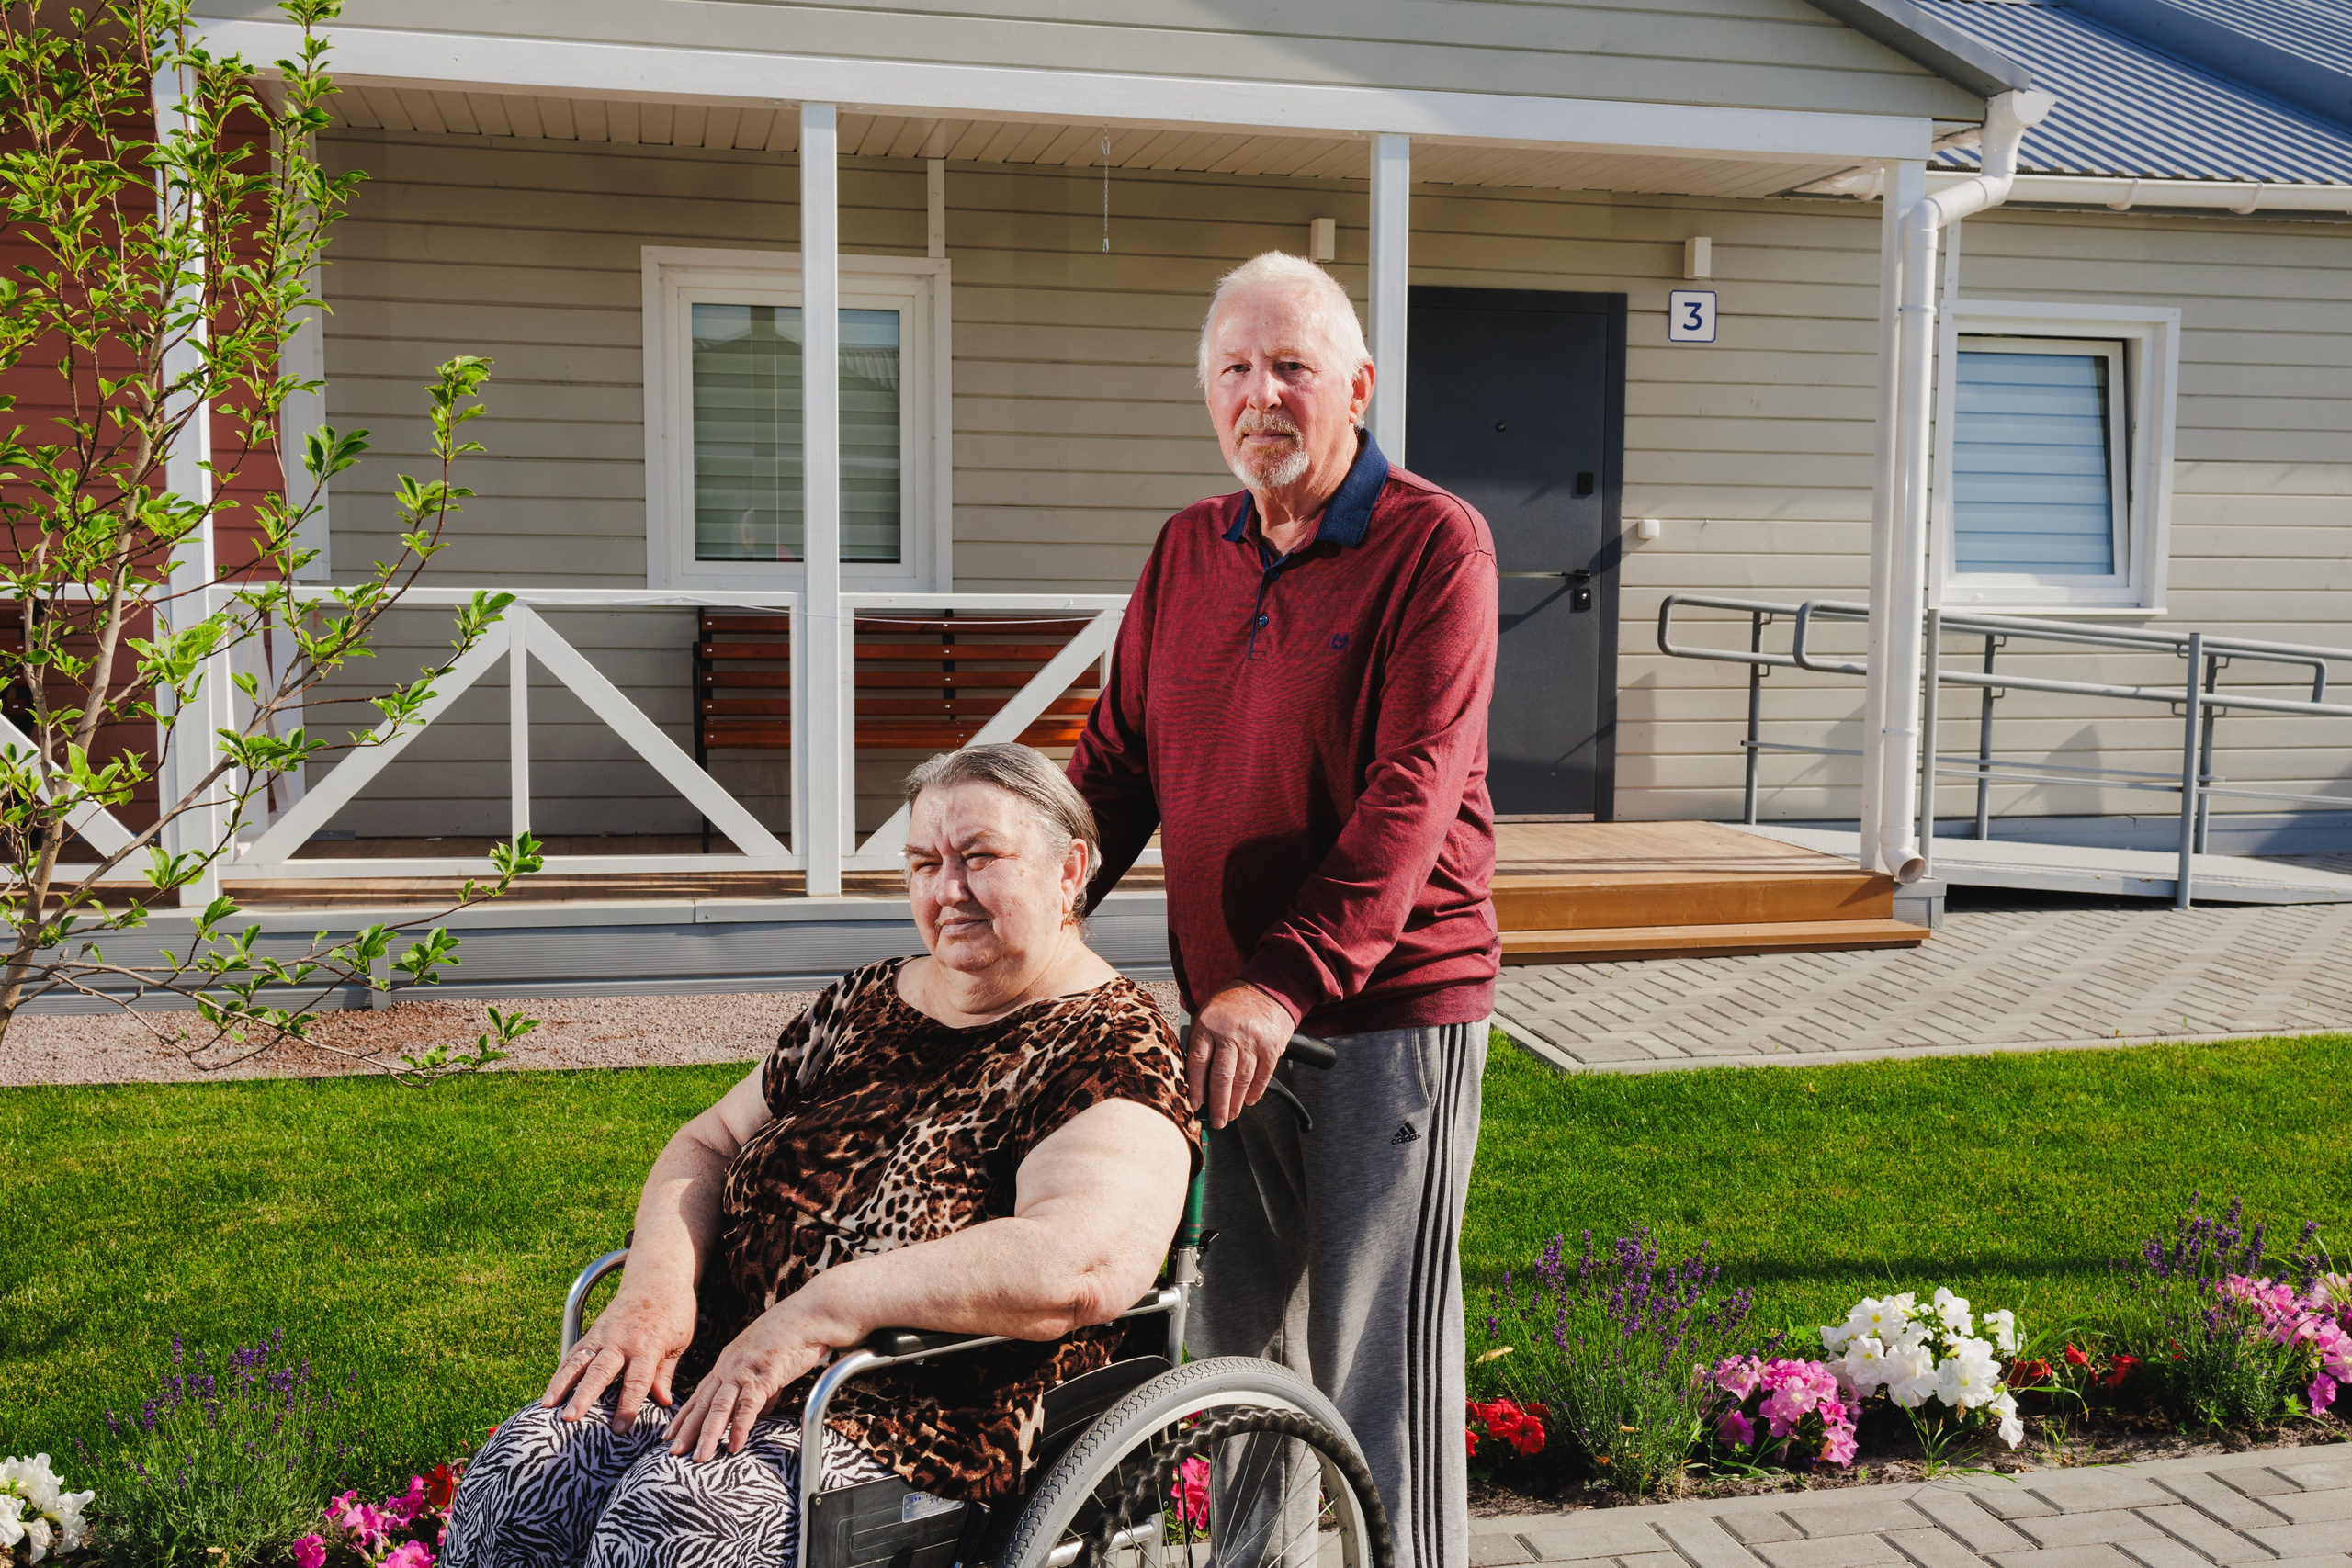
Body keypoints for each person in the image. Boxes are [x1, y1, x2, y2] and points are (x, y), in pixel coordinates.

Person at [443, 744, 1195, 1568]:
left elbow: (1077, 1264)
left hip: (917, 1418)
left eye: (980, 858)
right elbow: (710, 1140)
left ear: (1069, 869)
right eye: (924, 861)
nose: (947, 890)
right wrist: (655, 1286)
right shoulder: (867, 1001)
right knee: (526, 1467)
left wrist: (823, 1309)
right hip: (735, 1368)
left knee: (676, 1520)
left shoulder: (1109, 1043)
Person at [1068, 251, 1500, 1568]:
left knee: (1380, 1349)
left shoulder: (1435, 544)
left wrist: (1283, 976)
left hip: (1387, 1012)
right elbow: (1117, 761)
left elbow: (1411, 794)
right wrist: (1029, 892)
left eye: (1293, 368)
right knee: (1236, 1332)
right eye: (1236, 370)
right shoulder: (1187, 548)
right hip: (1227, 1012)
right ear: (1209, 393)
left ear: (1357, 388)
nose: (1263, 394)